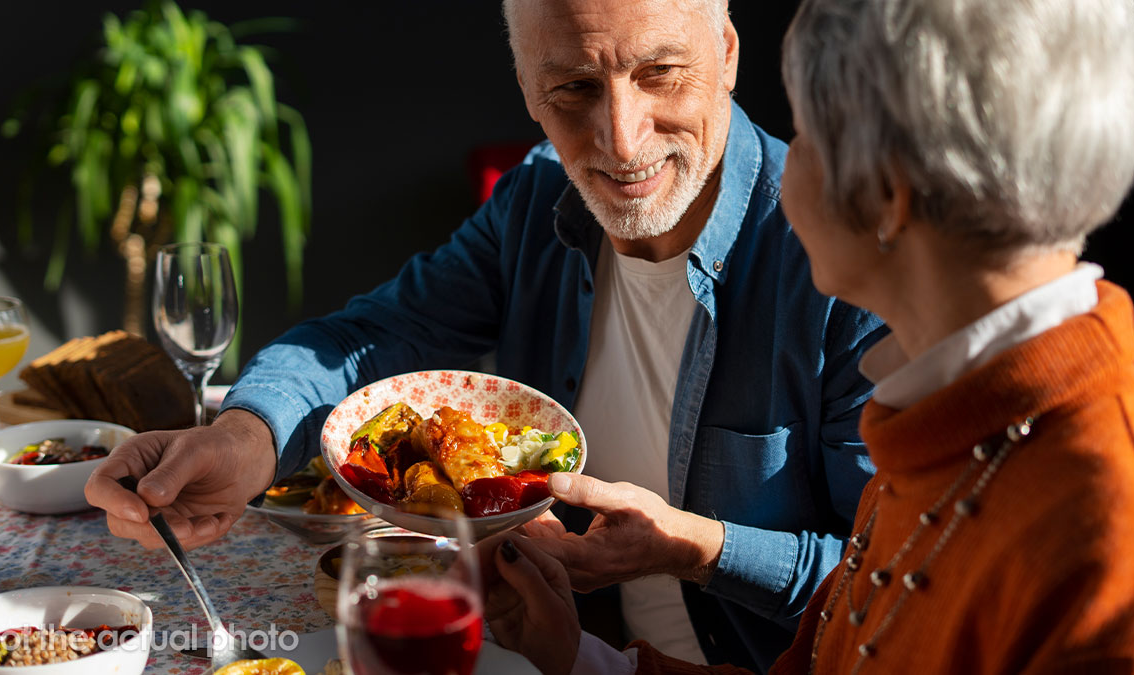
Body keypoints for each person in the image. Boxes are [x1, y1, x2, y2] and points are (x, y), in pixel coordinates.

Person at [85, 0, 885, 669]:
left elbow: (891, 581)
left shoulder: (846, 261)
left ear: (728, 52)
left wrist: (695, 546)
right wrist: (243, 438)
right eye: (573, 86)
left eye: (660, 72)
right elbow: (375, 334)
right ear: (529, 92)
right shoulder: (536, 199)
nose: (621, 136)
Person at [476, 0, 1134, 672]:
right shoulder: (939, 421)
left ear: (886, 193)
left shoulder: (1118, 527)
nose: (779, 158)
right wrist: (579, 656)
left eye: (804, 133)